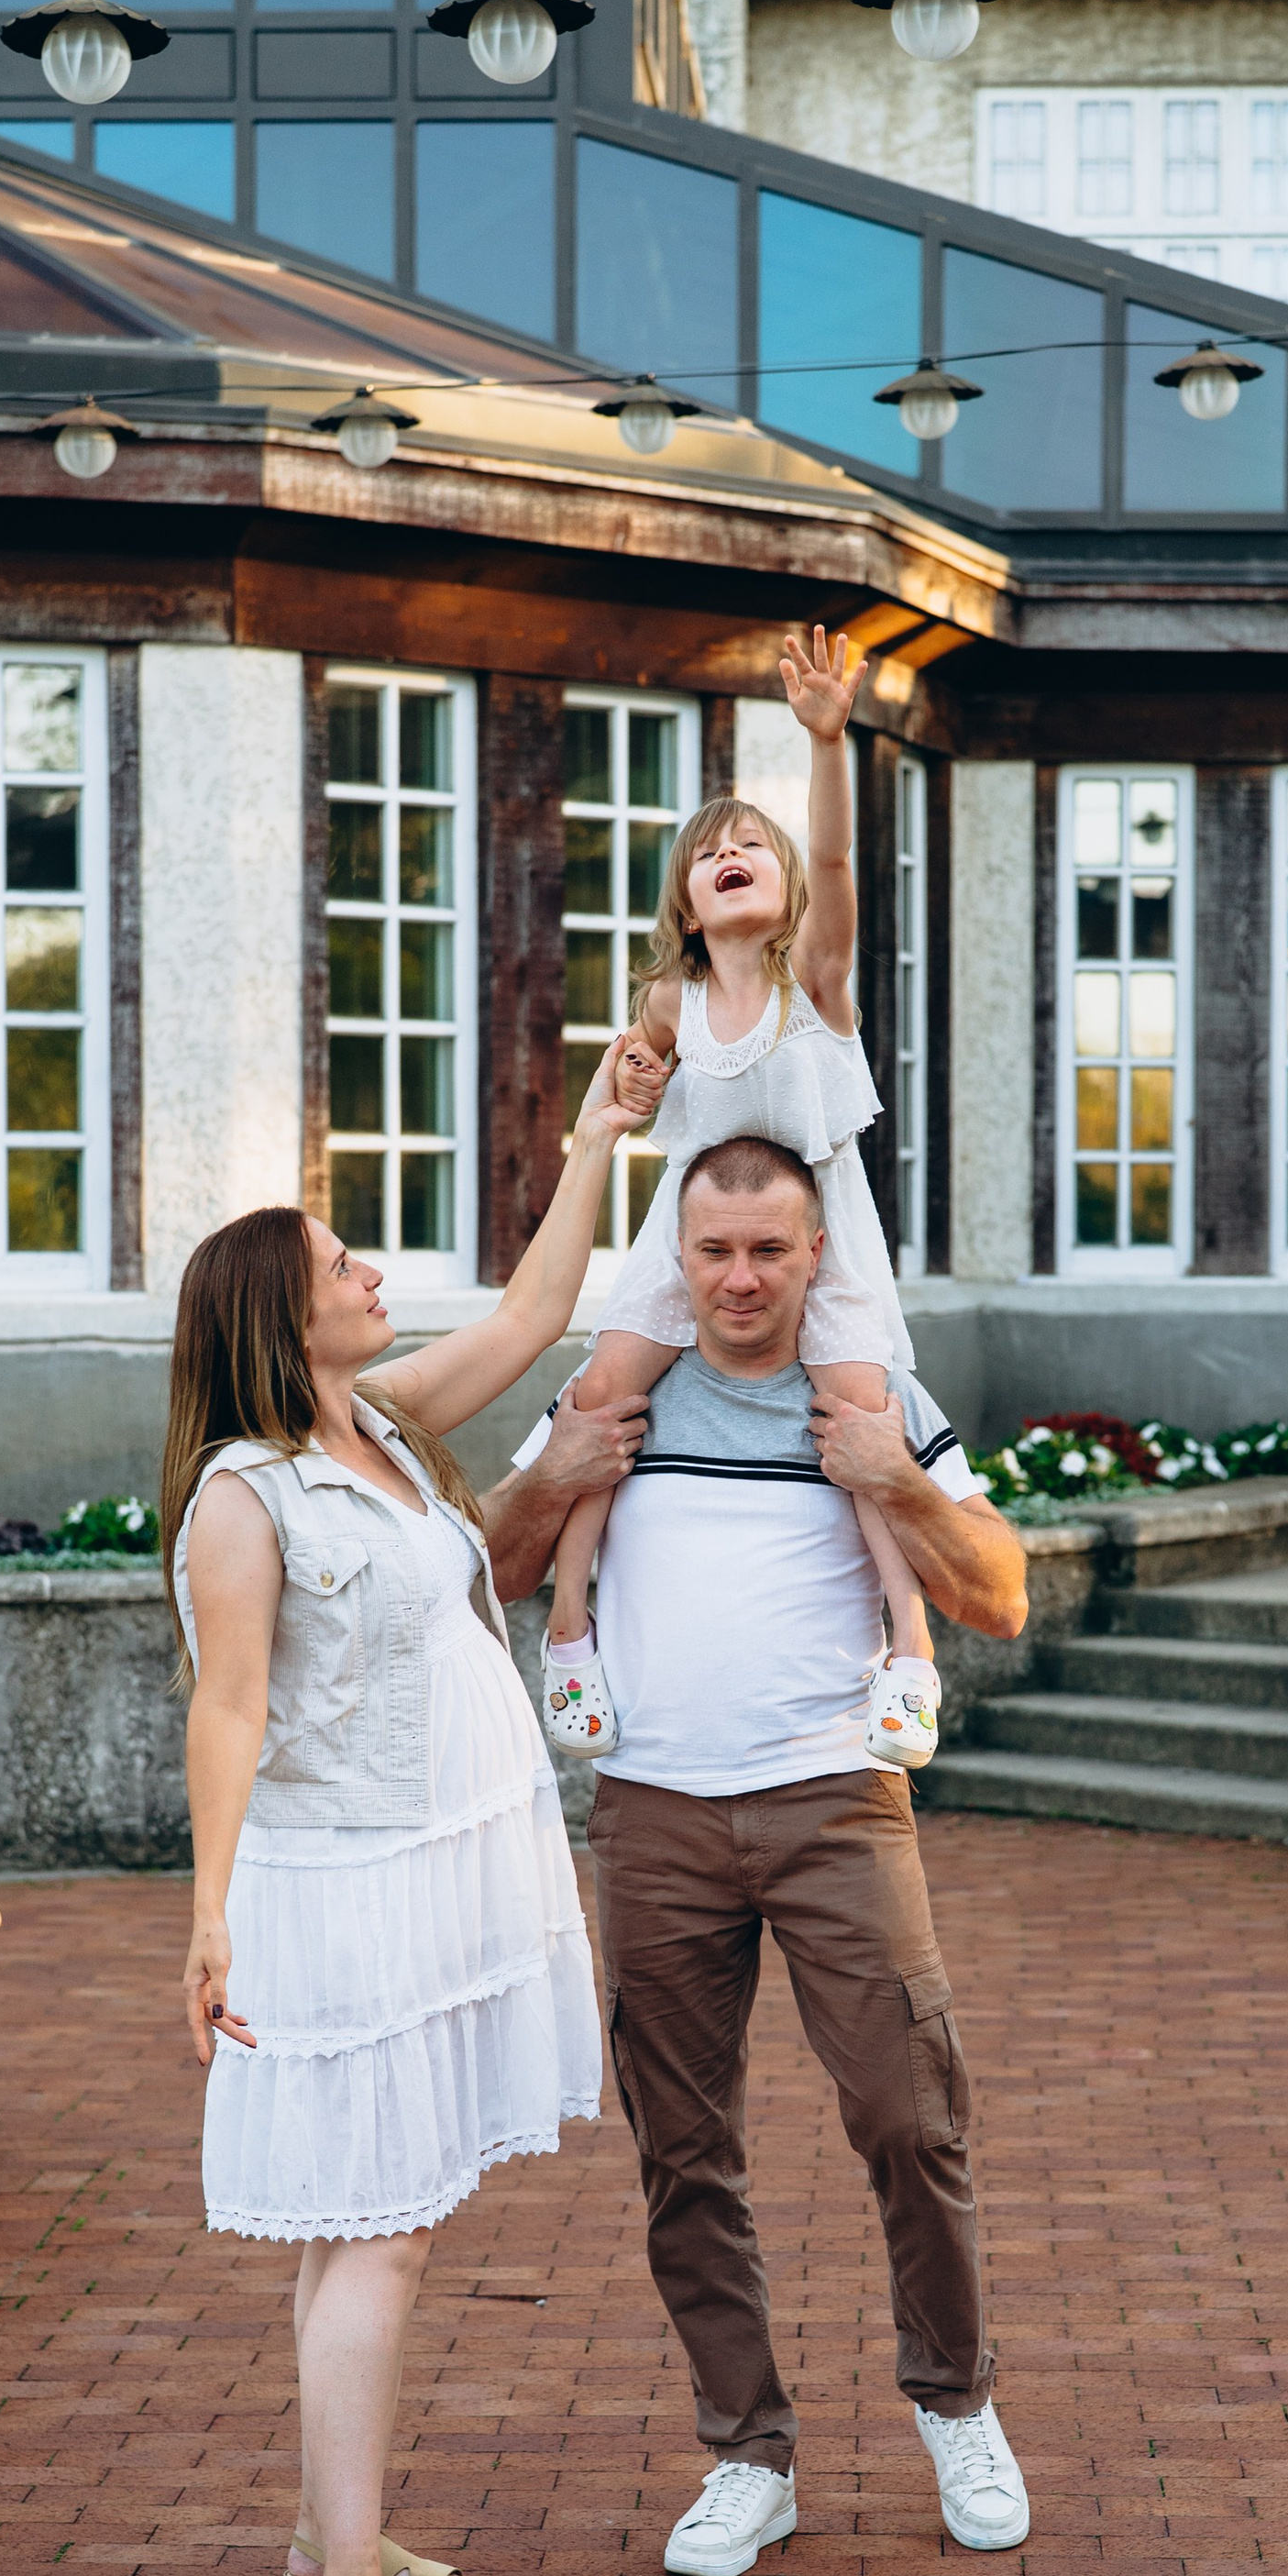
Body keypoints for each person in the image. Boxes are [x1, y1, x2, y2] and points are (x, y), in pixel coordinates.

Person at [167, 1030, 665, 2576]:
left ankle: (331, 2529)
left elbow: (531, 1320)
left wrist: (596, 1131)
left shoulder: (375, 1427)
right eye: (336, 1263)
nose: (371, 1271)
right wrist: (207, 1911)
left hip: (449, 1860)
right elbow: (226, 1708)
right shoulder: (247, 1496)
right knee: (371, 2232)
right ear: (270, 1317)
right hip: (341, 1891)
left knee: (380, 2224)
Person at [482, 1132, 1034, 2576]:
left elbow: (1002, 1594)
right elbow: (494, 1565)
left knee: (911, 2110)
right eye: (713, 1250)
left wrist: (896, 1480)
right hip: (653, 1815)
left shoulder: (877, 1397)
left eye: (768, 1250)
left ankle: (959, 2404)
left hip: (835, 1802)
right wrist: (565, 1471)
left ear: (814, 1258)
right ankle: (749, 2456)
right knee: (684, 2146)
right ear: (680, 1255)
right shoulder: (616, 1392)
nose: (738, 1278)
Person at [538, 625, 939, 1774]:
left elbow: (840, 862)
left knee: (861, 1419)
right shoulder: (670, 997)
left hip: (821, 1230)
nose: (732, 854)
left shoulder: (812, 979)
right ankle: (572, 1629)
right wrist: (625, 1082)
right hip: (694, 1235)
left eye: (751, 846)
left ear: (784, 888)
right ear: (685, 900)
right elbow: (628, 1083)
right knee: (599, 1400)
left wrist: (827, 741)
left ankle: (905, 1644)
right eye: (710, 851)